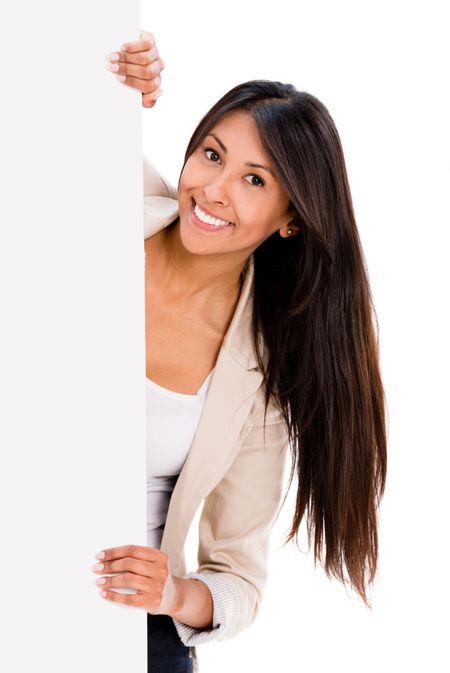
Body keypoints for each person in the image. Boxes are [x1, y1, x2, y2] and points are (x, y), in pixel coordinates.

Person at [94, 30, 388, 673]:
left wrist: (172, 592)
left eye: (254, 179)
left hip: (118, 614)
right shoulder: (99, 202)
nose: (214, 190)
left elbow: (237, 581)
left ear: (292, 218)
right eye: (211, 153)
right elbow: (30, 109)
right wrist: (106, 81)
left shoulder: (263, 379)